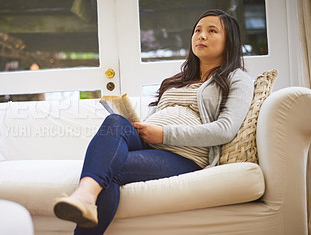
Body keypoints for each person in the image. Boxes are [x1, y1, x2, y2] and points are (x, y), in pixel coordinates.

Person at [53, 9, 254, 234]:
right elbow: (160, 116)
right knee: (115, 121)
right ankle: (85, 196)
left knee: (108, 171)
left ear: (230, 41)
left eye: (212, 31)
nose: (201, 36)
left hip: (186, 156)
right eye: (197, 30)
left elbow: (225, 130)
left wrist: (163, 134)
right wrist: (144, 127)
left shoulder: (237, 78)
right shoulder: (178, 80)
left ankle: (84, 197)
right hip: (150, 144)